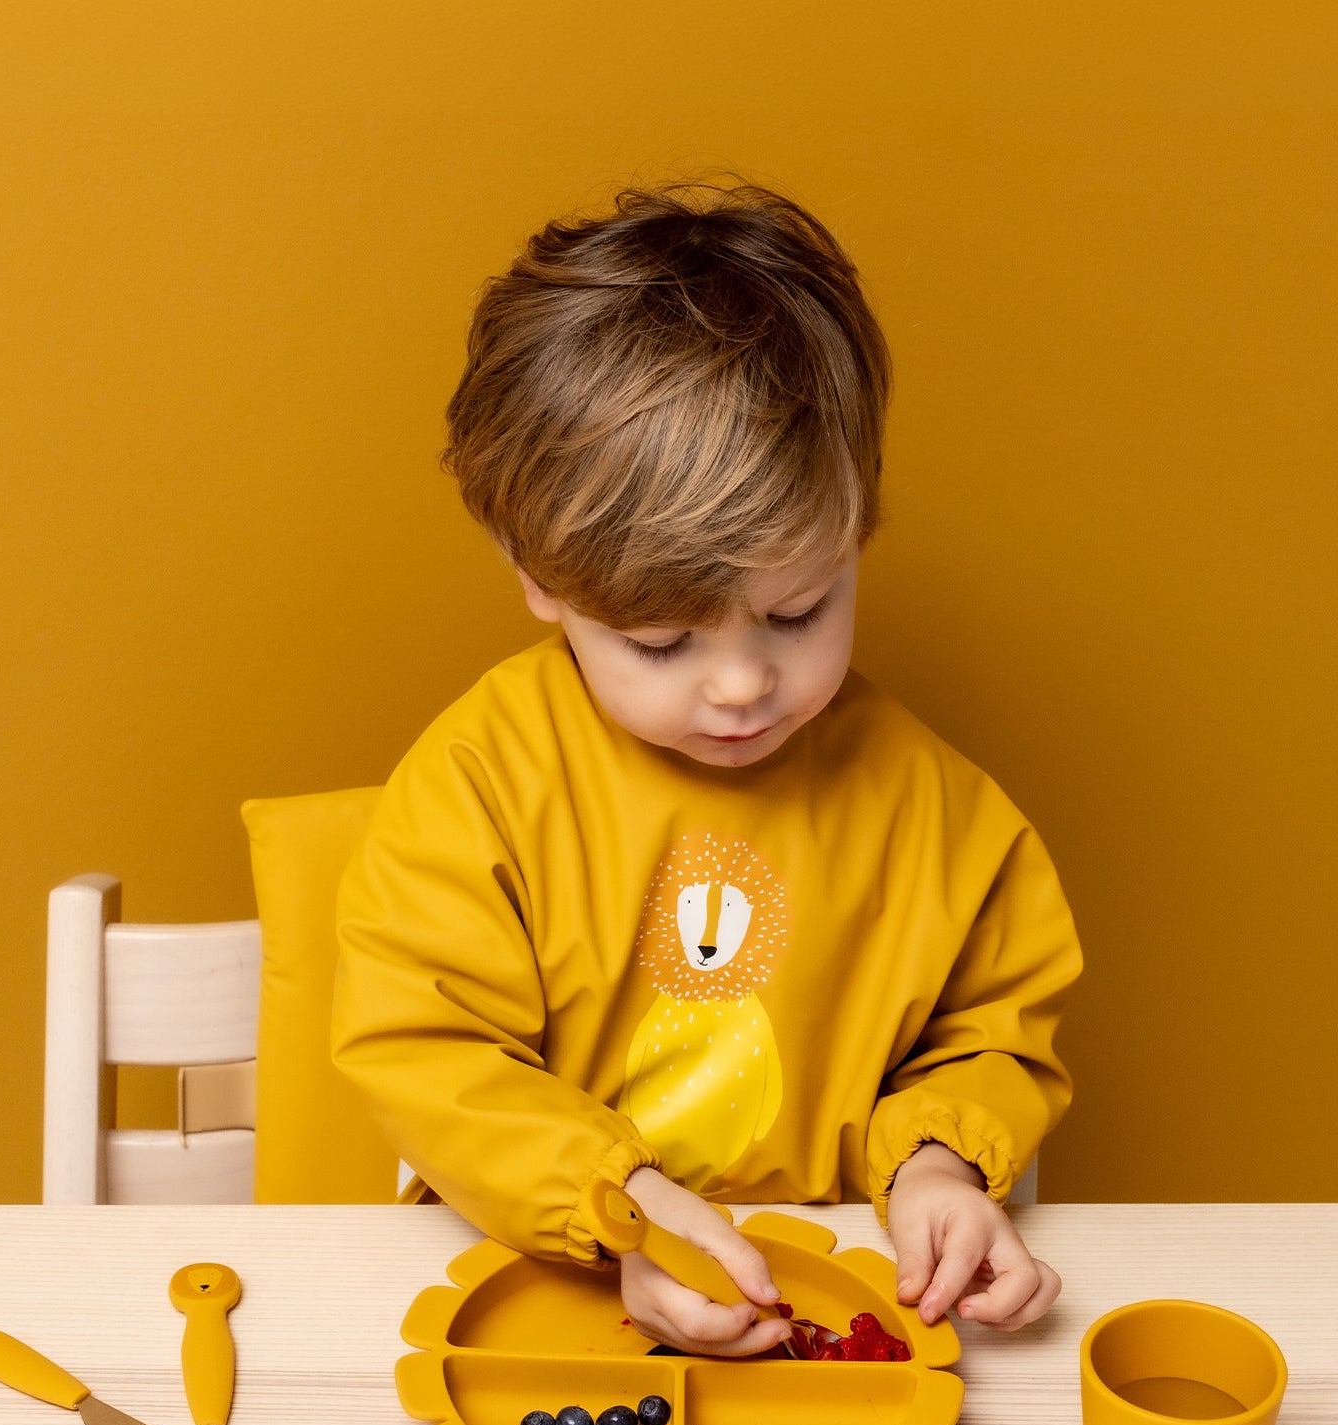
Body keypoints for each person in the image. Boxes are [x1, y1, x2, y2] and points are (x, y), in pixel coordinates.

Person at [332, 180, 1083, 1358]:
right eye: (661, 642)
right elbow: (426, 1055)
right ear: (538, 577)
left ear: (858, 529)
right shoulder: (480, 784)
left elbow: (989, 1030)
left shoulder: (934, 808)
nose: (741, 685)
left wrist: (940, 1164)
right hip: (545, 1294)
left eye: (797, 610)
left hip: (824, 1307)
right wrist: (621, 1218)